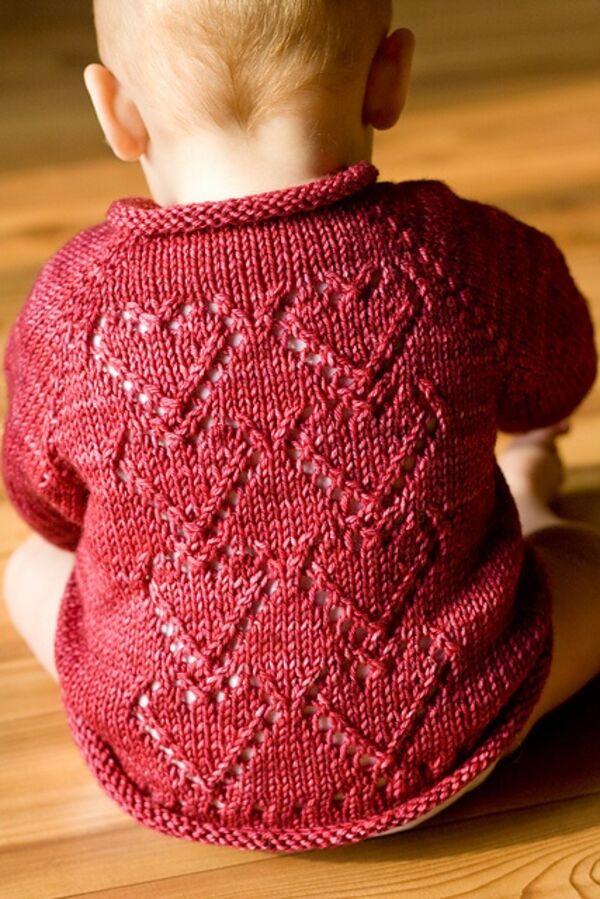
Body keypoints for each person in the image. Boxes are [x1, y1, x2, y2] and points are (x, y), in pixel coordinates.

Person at [2, 0, 599, 853]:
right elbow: (558, 376)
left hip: (170, 752)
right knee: (584, 567)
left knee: (29, 566)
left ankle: (138, 691)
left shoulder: (75, 306)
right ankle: (534, 504)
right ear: (390, 78)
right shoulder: (453, 252)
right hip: (447, 730)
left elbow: (46, 502)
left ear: (116, 110)